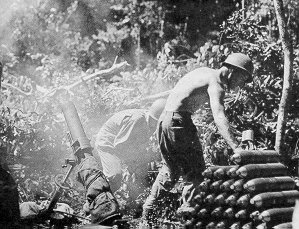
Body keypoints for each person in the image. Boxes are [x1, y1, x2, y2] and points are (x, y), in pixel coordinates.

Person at [142, 53, 254, 222]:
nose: (240, 85)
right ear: (233, 71)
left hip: (165, 120)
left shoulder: (204, 71)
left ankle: (148, 212)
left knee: (170, 170)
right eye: (242, 79)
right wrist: (236, 147)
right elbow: (219, 116)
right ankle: (188, 219)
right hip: (179, 122)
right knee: (196, 175)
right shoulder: (217, 84)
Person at [94, 99, 167, 211]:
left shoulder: (149, 123)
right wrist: (134, 162)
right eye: (156, 123)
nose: (156, 127)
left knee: (142, 170)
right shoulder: (137, 120)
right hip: (108, 143)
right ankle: (98, 205)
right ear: (152, 118)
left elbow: (136, 145)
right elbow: (120, 146)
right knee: (115, 176)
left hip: (122, 145)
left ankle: (131, 203)